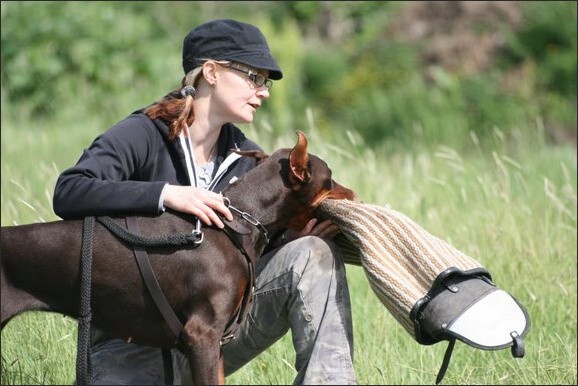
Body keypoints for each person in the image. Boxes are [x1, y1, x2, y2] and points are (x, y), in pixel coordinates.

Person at [52, 19, 356, 385]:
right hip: (130, 343)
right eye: (254, 77)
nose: (264, 92)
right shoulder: (144, 133)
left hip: (214, 332)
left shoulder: (248, 158)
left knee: (312, 254)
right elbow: (69, 190)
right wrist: (166, 194)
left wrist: (300, 236)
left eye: (266, 82)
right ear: (211, 72)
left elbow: (256, 253)